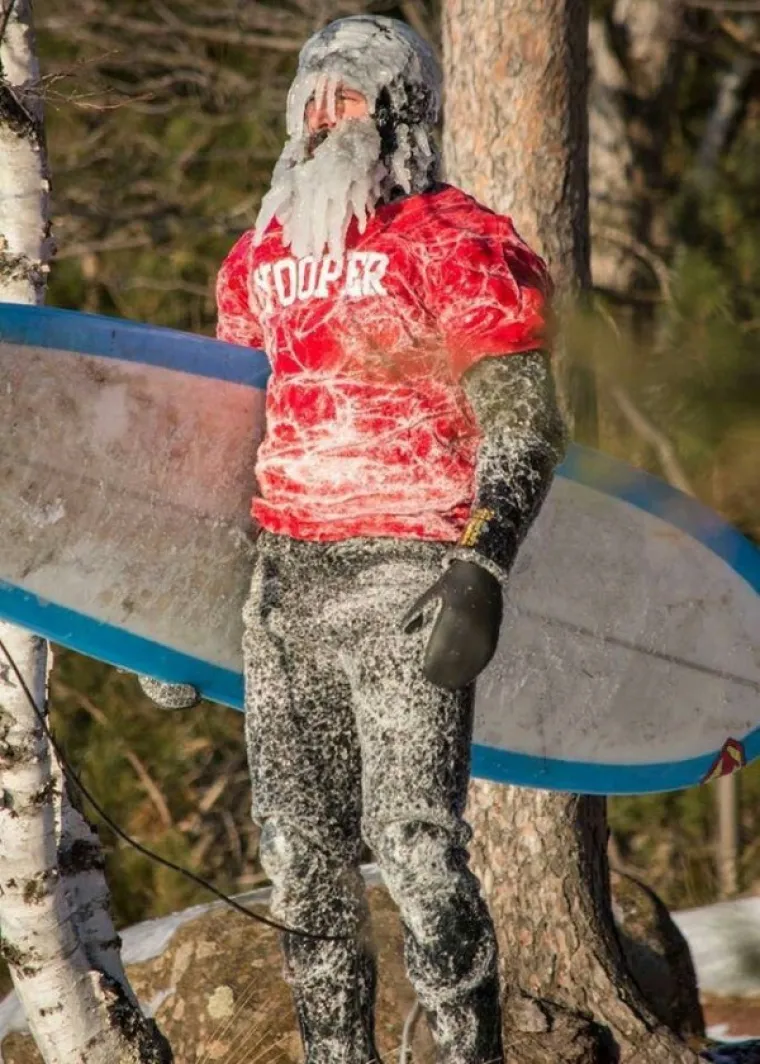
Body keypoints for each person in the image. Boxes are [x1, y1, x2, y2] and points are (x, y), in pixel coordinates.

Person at [142, 14, 566, 1064]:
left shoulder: (455, 238)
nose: (326, 117)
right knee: (299, 862)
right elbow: (225, 433)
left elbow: (524, 415)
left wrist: (482, 563)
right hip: (282, 589)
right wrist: (169, 607)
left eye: (350, 96)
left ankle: (469, 1053)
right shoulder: (258, 257)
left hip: (408, 576)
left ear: (402, 110)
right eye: (312, 97)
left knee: (418, 852)